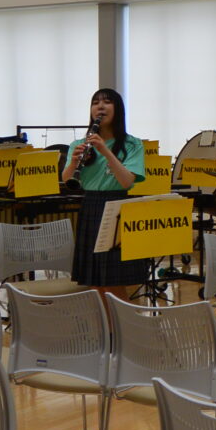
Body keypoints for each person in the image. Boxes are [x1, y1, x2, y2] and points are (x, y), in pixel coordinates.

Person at [60, 89, 148, 302]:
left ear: (118, 109)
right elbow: (67, 179)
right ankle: (106, 322)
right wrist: (74, 161)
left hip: (117, 206)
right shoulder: (78, 145)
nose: (100, 106)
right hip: (91, 204)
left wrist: (105, 150)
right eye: (95, 103)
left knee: (113, 280)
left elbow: (127, 181)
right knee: (95, 280)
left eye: (107, 102)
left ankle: (123, 321)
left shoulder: (132, 144)